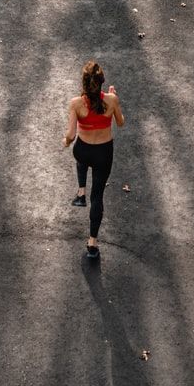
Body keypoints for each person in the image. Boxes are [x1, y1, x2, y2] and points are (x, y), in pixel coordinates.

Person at [62, 60, 125, 258]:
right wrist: (115, 98)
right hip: (103, 154)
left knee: (81, 159)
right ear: (101, 82)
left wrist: (65, 141)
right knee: (97, 197)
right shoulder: (111, 100)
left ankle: (81, 192)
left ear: (84, 83)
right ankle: (92, 243)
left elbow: (71, 135)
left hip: (83, 150)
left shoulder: (76, 104)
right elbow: (121, 123)